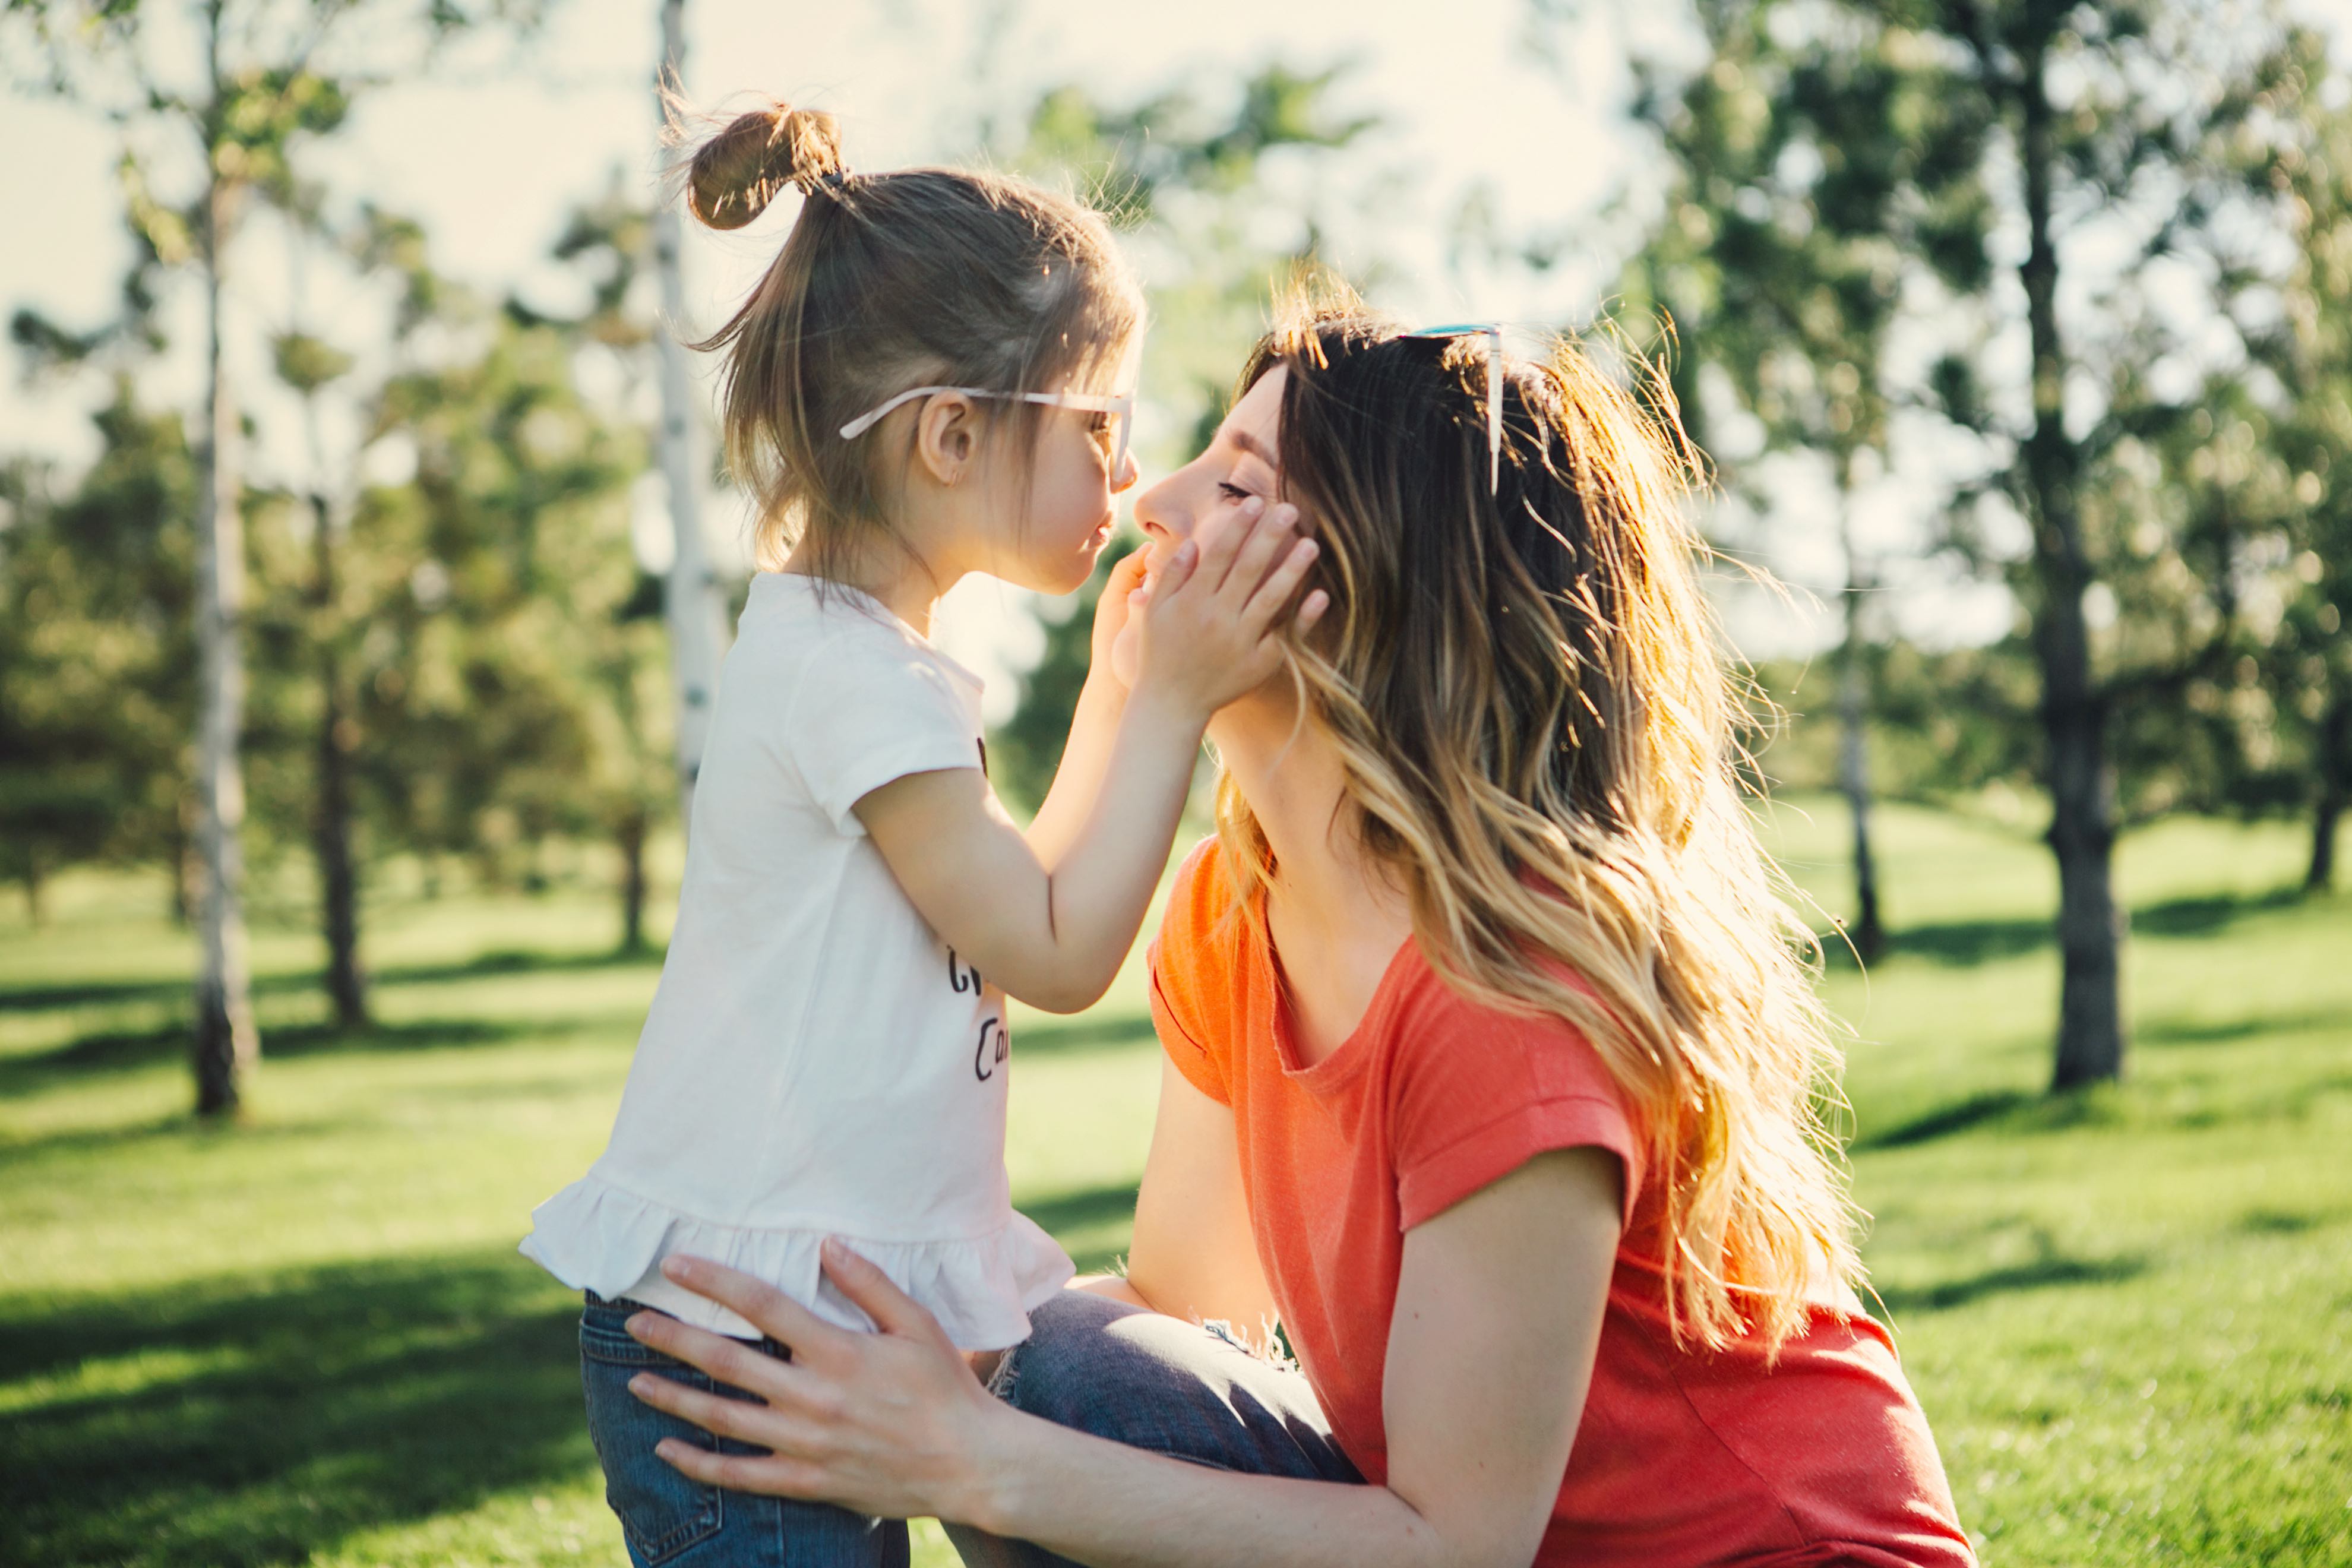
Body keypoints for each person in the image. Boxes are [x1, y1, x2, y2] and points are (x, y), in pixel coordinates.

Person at [614, 294, 1979, 1568]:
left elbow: (1460, 1544)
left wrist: (976, 1459)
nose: (1150, 504)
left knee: (1053, 1398)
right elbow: (1171, 1307)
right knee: (1061, 1358)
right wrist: (887, 1372)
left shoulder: (1507, 988)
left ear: (1387, 590)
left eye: (1241, 487)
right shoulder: (1232, 910)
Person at [517, 102, 1325, 1568]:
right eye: (1099, 429)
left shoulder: (870, 666)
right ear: (953, 435)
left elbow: (1024, 896)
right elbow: (1062, 952)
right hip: (744, 1348)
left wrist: (1126, 692)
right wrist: (1170, 710)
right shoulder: (850, 683)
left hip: (803, 1326)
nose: (1131, 484)